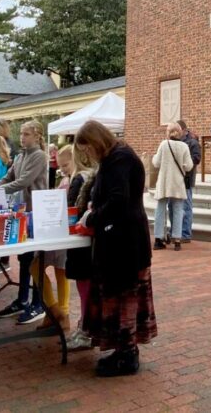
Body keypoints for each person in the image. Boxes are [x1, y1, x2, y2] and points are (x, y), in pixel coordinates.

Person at [74, 120, 156, 377]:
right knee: (120, 296)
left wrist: (93, 216)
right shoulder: (116, 156)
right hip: (123, 240)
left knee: (123, 297)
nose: (87, 154)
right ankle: (123, 350)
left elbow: (118, 199)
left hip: (125, 243)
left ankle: (127, 354)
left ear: (96, 141)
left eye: (87, 149)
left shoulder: (119, 158)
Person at [0, 120, 48, 324]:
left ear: (37, 136)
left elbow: (24, 181)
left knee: (35, 259)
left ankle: (38, 302)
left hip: (36, 211)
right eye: (21, 134)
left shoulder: (39, 156)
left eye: (27, 134)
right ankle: (22, 299)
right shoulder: (20, 155)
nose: (22, 138)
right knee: (24, 257)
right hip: (22, 211)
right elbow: (8, 177)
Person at [60, 145, 96, 350]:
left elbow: (71, 208)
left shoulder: (80, 179)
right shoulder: (89, 177)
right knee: (85, 286)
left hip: (80, 238)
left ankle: (86, 328)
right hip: (85, 238)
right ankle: (85, 326)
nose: (62, 168)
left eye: (65, 164)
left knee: (84, 286)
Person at [151, 123, 194, 251]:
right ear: (180, 133)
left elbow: (156, 163)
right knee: (178, 210)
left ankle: (158, 239)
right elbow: (189, 166)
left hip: (165, 181)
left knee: (160, 209)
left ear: (168, 133)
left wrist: (154, 157)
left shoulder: (164, 144)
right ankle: (177, 239)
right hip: (177, 182)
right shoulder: (184, 146)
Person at [176, 119, 202, 243]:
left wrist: (184, 163)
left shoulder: (192, 143)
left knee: (186, 206)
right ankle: (176, 232)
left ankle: (185, 234)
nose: (176, 132)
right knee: (175, 207)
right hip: (176, 178)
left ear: (184, 130)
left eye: (178, 130)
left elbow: (196, 158)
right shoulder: (174, 142)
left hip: (187, 178)